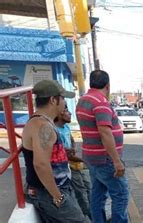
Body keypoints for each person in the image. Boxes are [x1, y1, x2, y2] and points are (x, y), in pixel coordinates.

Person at [21, 80, 88, 222]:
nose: (65, 103)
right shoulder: (42, 126)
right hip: (48, 193)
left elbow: (45, 154)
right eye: (63, 98)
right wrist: (57, 196)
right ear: (53, 100)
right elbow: (41, 164)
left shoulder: (41, 122)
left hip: (51, 190)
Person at [76, 70, 128, 223]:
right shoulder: (100, 102)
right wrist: (117, 161)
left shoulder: (83, 100)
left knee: (98, 194)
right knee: (121, 194)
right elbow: (105, 133)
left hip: (91, 157)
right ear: (108, 85)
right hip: (104, 159)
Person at [54, 105, 91, 219]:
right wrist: (85, 161)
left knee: (89, 187)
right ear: (59, 114)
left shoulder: (65, 127)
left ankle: (94, 213)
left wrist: (73, 148)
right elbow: (64, 155)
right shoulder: (55, 131)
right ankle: (87, 215)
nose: (70, 113)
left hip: (74, 163)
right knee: (80, 191)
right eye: (66, 111)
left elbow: (71, 139)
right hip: (67, 166)